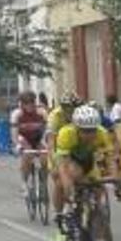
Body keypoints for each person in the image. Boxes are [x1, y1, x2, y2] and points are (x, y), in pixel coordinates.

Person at [53, 105, 121, 241]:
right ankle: (62, 214)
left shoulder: (102, 133)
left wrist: (117, 182)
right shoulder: (66, 134)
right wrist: (68, 186)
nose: (89, 135)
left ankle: (93, 223)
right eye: (85, 131)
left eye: (92, 130)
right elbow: (62, 165)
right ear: (76, 128)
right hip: (69, 161)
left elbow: (110, 160)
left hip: (88, 161)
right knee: (64, 181)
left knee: (96, 189)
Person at [46, 91, 83, 228]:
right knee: (59, 181)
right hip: (57, 149)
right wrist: (55, 164)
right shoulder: (55, 116)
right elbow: (51, 143)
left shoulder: (81, 114)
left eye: (72, 108)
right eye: (66, 108)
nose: (69, 111)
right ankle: (59, 213)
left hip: (74, 148)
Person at [11, 91, 49, 196]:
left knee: (45, 158)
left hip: (38, 138)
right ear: (22, 104)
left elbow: (47, 131)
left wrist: (48, 145)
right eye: (26, 103)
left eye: (32, 102)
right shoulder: (17, 114)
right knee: (27, 154)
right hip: (23, 138)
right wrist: (16, 145)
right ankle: (24, 182)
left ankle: (43, 182)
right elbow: (14, 133)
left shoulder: (42, 112)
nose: (30, 105)